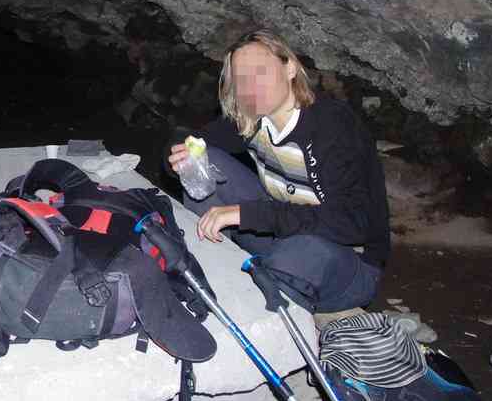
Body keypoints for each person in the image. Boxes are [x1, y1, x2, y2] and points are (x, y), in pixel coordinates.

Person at [166, 30, 390, 320]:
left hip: (345, 264)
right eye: (241, 79)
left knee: (302, 249)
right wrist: (180, 153)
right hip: (282, 239)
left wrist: (247, 214)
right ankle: (208, 269)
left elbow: (353, 222)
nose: (251, 87)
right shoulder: (252, 120)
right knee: (207, 158)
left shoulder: (332, 126)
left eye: (260, 72)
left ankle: (269, 315)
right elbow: (191, 136)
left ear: (290, 69)